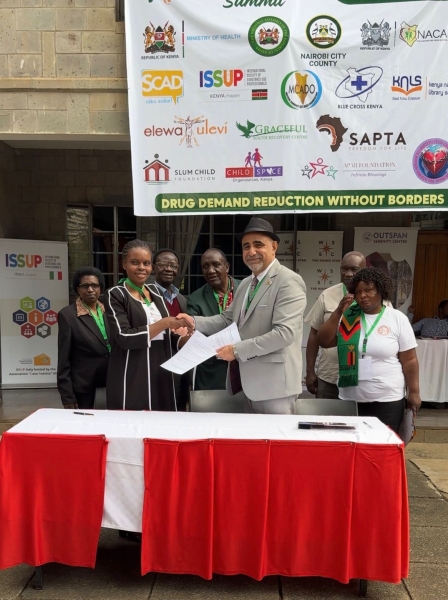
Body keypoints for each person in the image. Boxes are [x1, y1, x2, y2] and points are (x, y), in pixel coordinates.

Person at [178, 217, 307, 414]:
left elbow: (284, 334)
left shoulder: (288, 281)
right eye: (246, 246)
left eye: (258, 245)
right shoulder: (247, 283)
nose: (251, 252)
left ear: (274, 246)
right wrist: (193, 321)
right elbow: (227, 319)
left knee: (273, 434)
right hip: (246, 386)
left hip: (275, 388)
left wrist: (237, 351)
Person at [317, 267, 421, 433]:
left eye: (368, 290)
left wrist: (414, 392)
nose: (363, 295)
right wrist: (338, 312)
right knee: (352, 444)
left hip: (388, 399)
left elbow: (410, 360)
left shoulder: (397, 318)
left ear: (381, 291)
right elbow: (323, 341)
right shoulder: (348, 318)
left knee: (384, 444)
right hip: (350, 400)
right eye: (358, 292)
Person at [105, 239, 191, 411]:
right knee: (134, 421)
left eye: (146, 263)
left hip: (161, 370)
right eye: (135, 262)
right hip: (133, 372)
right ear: (124, 264)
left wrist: (187, 338)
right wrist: (166, 322)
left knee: (162, 418)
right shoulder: (116, 294)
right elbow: (124, 336)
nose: (141, 268)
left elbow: (168, 336)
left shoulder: (156, 293)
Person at [305, 251, 366, 399]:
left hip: (363, 379)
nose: (348, 274)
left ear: (364, 271)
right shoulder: (327, 295)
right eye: (344, 269)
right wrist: (310, 371)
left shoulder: (376, 298)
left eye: (354, 269)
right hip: (329, 376)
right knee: (325, 414)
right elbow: (314, 335)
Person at [186, 248, 241, 390]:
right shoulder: (194, 299)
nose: (210, 271)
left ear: (227, 267)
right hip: (211, 373)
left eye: (216, 265)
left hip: (246, 369)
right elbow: (194, 337)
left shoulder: (246, 289)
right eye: (205, 266)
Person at [57, 267, 111, 409]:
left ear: (100, 288)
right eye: (85, 286)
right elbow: (64, 359)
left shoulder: (110, 311)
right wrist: (67, 396)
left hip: (112, 381)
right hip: (84, 387)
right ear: (77, 289)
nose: (90, 289)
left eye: (95, 285)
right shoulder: (68, 315)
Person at [148, 248, 189, 410]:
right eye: (163, 264)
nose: (168, 268)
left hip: (180, 364)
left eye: (173, 265)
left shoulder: (182, 299)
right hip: (155, 364)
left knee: (179, 408)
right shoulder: (146, 295)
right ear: (153, 267)